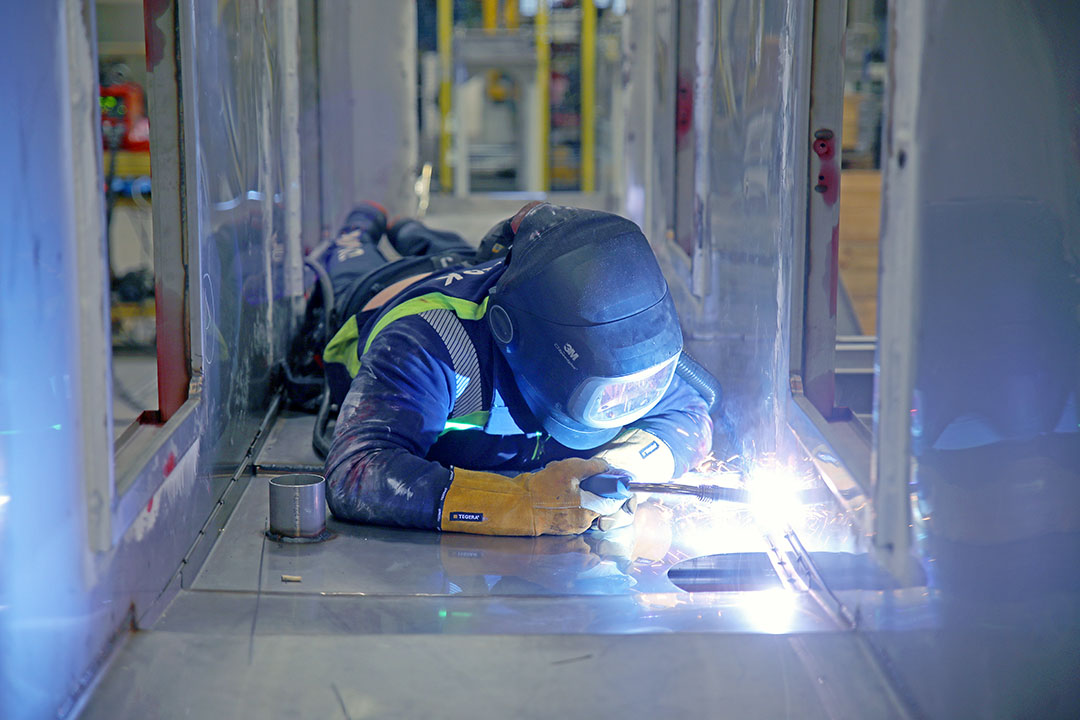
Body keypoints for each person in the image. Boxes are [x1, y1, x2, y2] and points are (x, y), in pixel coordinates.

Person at [314, 201, 713, 537]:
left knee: (447, 245)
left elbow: (691, 415)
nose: (621, 401)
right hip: (382, 289)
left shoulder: (618, 348)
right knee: (352, 258)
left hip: (478, 270)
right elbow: (354, 471)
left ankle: (406, 224)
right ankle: (366, 220)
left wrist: (620, 470)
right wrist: (519, 503)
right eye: (605, 394)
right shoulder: (431, 347)